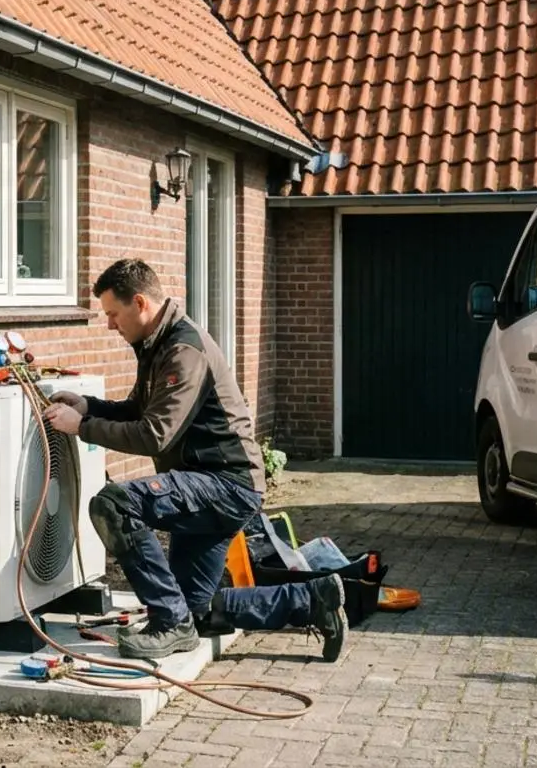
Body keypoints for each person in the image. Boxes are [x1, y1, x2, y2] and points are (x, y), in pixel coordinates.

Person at [42, 258, 347, 661]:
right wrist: (89, 406)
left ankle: (169, 624)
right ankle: (311, 599)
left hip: (223, 485)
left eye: (114, 314)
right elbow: (140, 408)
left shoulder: (183, 350)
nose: (110, 325)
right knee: (195, 610)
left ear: (140, 303)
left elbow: (155, 433)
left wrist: (81, 426)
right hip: (210, 484)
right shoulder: (157, 344)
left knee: (113, 504)